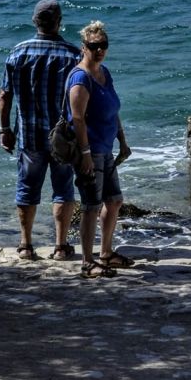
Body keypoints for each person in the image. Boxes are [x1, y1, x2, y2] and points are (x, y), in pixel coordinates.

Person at [0, 0, 80, 260]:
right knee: (63, 189)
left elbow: (4, 96)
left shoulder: (17, 53)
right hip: (63, 137)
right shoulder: (73, 54)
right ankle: (60, 246)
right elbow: (81, 101)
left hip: (29, 135)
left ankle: (25, 245)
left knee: (26, 188)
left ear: (35, 22)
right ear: (59, 22)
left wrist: (5, 129)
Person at [66, 20, 133, 278]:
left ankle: (106, 253)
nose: (100, 50)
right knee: (91, 205)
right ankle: (87, 261)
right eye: (94, 46)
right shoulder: (80, 77)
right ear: (84, 47)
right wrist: (84, 155)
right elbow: (78, 118)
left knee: (114, 201)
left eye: (104, 45)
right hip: (90, 150)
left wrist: (123, 141)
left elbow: (113, 109)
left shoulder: (104, 73)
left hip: (106, 148)